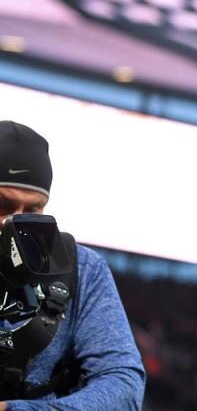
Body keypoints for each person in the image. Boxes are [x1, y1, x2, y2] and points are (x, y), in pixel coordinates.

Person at [0, 121, 145, 410]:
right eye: (3, 205)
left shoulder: (83, 269)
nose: (14, 222)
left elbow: (123, 386)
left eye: (33, 210)